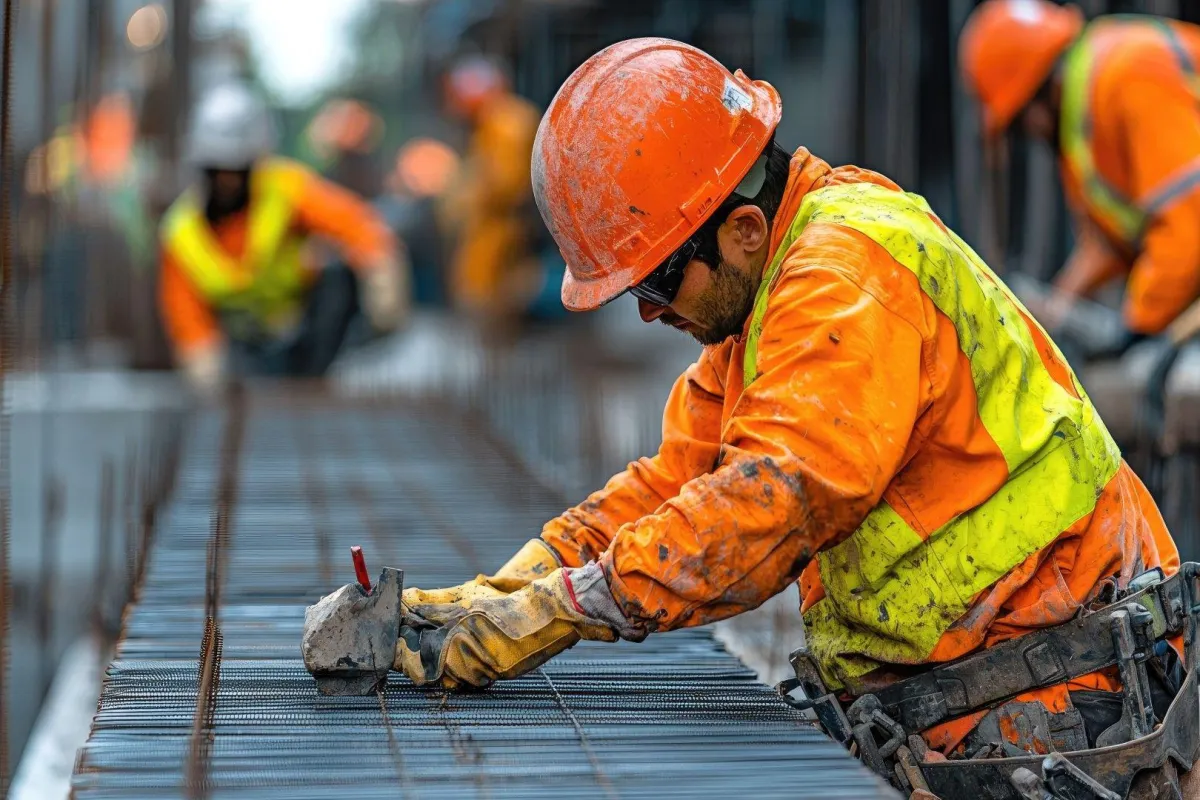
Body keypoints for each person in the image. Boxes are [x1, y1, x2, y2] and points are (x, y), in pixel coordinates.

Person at [304, 39, 1197, 796]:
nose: (649, 314)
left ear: (739, 232)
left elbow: (773, 500)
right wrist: (498, 593)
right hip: (980, 689)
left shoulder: (841, 277)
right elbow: (672, 483)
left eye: (657, 281)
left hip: (1064, 701)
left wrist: (562, 610)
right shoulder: (761, 295)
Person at [960, 0, 1200, 361]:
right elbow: (1110, 239)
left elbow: (1189, 222)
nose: (1032, 135)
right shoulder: (1087, 102)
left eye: (1022, 124)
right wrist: (1057, 304)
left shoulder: (1126, 74)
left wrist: (1135, 326)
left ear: (1035, 99)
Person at [158, 83, 409, 393]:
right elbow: (187, 318)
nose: (227, 182)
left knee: (336, 277)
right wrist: (204, 370)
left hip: (302, 332)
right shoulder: (182, 232)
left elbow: (355, 224)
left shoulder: (285, 189)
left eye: (237, 171)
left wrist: (381, 270)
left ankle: (312, 385)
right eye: (218, 171)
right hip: (242, 349)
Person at [441, 55, 545, 332]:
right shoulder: (493, 125)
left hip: (504, 234)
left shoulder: (506, 123)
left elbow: (506, 186)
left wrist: (466, 195)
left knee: (494, 308)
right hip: (497, 233)